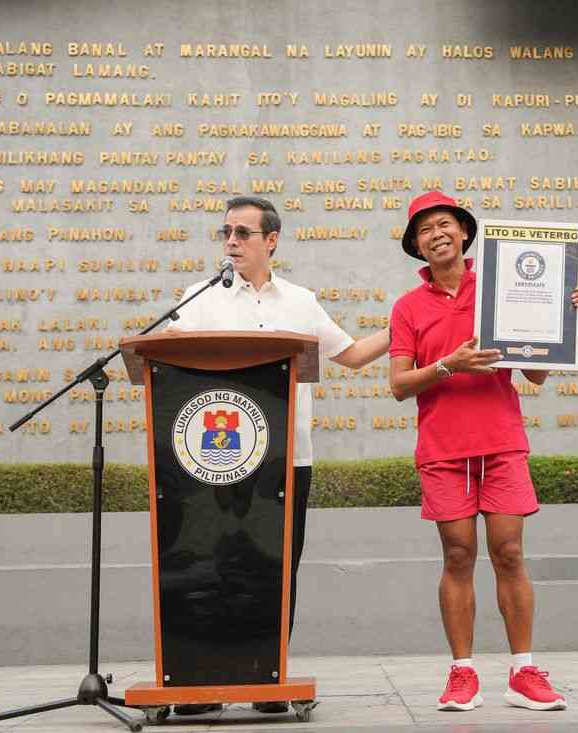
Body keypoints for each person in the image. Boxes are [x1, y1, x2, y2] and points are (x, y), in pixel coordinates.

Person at [169, 196, 391, 714]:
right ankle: (204, 683)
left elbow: (353, 355)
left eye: (243, 233)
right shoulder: (200, 297)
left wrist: (409, 325)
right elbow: (169, 355)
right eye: (226, 232)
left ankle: (266, 676)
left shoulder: (300, 300)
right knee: (213, 565)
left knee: (274, 566)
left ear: (271, 241)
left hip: (286, 460)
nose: (231, 241)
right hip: (214, 463)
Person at [388, 191, 578, 712]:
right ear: (416, 246)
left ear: (463, 233)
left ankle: (524, 671)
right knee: (458, 555)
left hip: (501, 441)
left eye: (445, 224)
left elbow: (539, 372)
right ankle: (462, 673)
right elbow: (399, 384)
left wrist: (566, 316)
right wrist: (449, 365)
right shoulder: (408, 307)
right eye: (424, 230)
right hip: (443, 446)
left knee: (510, 553)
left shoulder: (503, 286)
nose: (436, 234)